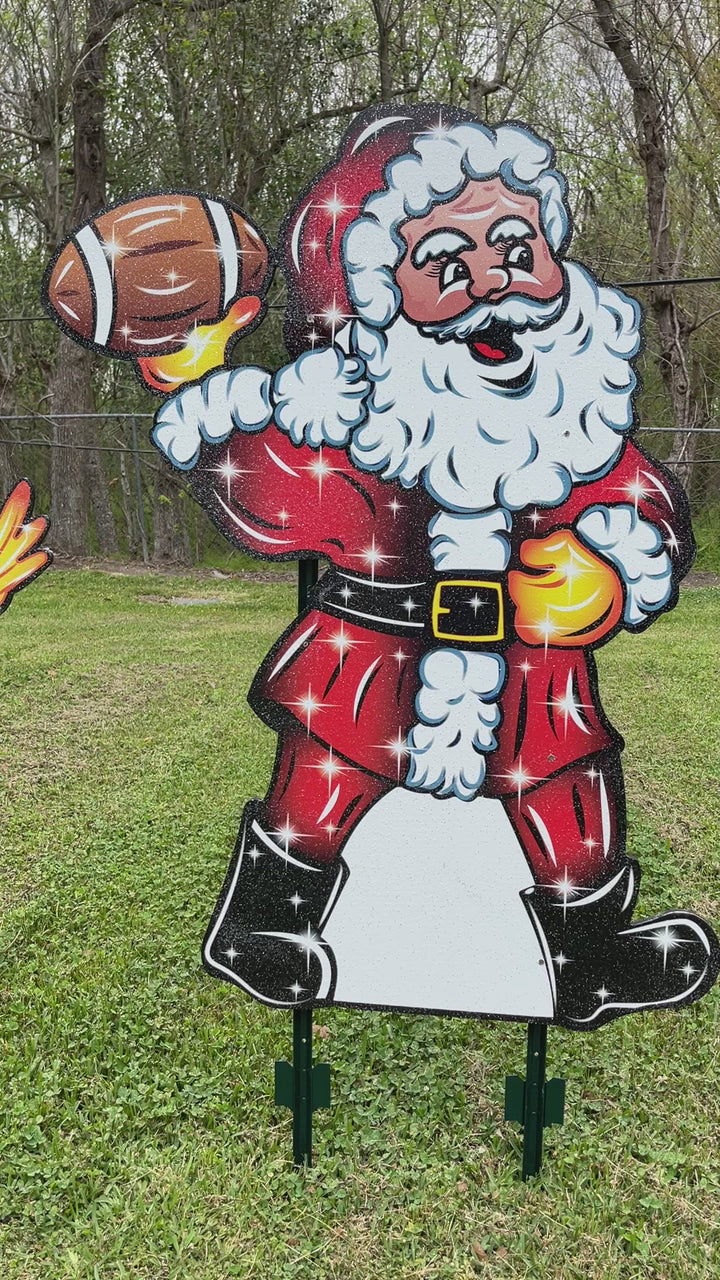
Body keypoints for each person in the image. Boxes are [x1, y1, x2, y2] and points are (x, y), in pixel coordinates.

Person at [154, 104, 719, 1028]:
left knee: (568, 786)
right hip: (374, 638)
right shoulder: (362, 430)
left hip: (535, 664)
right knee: (326, 768)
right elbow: (276, 494)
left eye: (514, 248)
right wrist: (196, 388)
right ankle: (266, 920)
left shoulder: (565, 416)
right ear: (381, 300)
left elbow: (634, 494)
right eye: (447, 267)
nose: (494, 288)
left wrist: (614, 569)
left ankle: (590, 951)